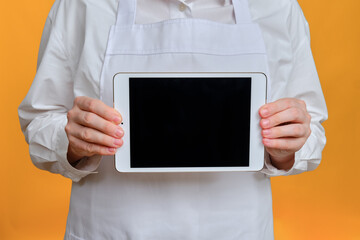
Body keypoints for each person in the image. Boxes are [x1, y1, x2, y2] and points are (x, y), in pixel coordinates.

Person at [18, 0, 328, 239]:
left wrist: (288, 145)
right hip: (111, 229)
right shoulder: (83, 6)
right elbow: (40, 119)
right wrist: (70, 143)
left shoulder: (277, 7)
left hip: (237, 229)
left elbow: (311, 129)